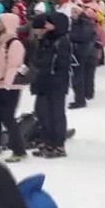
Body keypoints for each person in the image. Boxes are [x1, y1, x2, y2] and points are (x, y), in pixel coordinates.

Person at [0, 13, 29, 162]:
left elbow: (13, 66)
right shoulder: (1, 42)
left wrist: (6, 85)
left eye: (0, 22)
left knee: (7, 118)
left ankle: (19, 150)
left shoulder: (14, 43)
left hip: (9, 87)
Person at [31, 12, 71, 158]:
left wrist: (48, 71)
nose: (46, 26)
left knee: (56, 114)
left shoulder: (62, 41)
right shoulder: (46, 40)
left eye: (49, 23)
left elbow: (60, 64)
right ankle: (47, 142)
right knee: (42, 113)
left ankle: (58, 145)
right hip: (44, 81)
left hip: (56, 83)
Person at [68, 5, 97, 109]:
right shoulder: (76, 22)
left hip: (83, 52)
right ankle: (85, 95)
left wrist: (70, 36)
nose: (73, 14)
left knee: (79, 76)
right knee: (83, 75)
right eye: (72, 12)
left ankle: (80, 99)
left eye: (75, 12)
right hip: (83, 52)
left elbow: (84, 36)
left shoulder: (84, 22)